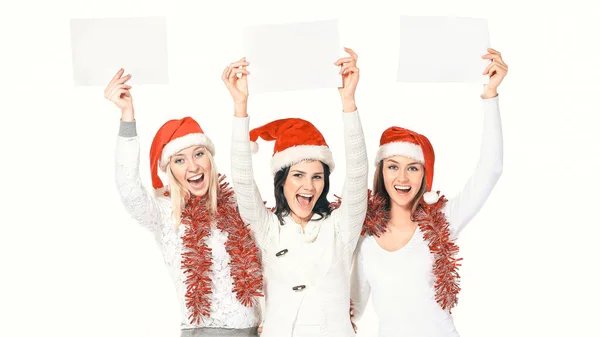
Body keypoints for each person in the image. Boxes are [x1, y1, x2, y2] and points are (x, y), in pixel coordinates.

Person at [350, 48, 508, 337]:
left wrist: (490, 96)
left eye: (413, 168)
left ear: (425, 175)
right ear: (381, 172)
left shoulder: (442, 221)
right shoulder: (364, 237)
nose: (402, 177)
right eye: (393, 166)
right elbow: (351, 311)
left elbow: (491, 169)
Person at [223, 48, 368, 336]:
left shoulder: (342, 227)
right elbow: (241, 179)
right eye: (298, 175)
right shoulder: (267, 229)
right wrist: (240, 106)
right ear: (281, 181)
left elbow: (358, 172)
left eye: (317, 177)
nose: (309, 186)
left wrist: (349, 102)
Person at [109, 68, 263, 336]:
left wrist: (240, 105)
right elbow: (129, 190)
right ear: (170, 169)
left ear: (210, 158)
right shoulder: (165, 212)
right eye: (179, 160)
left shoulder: (238, 202)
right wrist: (127, 118)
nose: (193, 166)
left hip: (253, 330)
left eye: (199, 154)